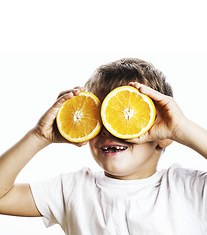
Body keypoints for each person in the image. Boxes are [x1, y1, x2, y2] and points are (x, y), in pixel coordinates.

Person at [0, 58, 207, 234]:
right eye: (98, 117)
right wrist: (38, 137)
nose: (107, 129)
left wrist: (180, 128)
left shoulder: (190, 189)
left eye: (125, 116)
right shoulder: (72, 190)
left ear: (164, 134)